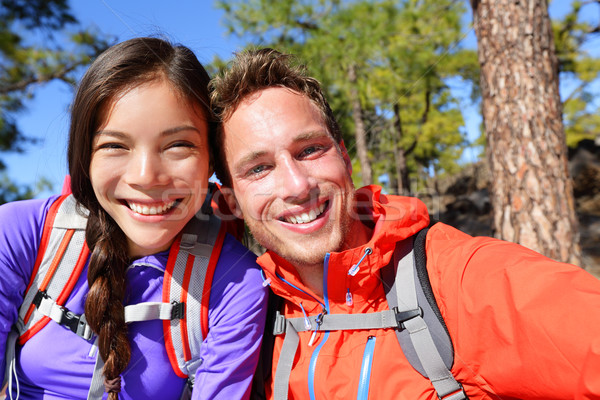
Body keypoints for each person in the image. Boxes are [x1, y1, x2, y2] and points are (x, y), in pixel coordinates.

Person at [209, 48, 600, 399]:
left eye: (310, 149)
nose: (296, 185)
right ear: (232, 203)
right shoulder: (246, 325)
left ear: (345, 158)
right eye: (259, 169)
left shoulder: (457, 280)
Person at [0, 37, 268, 400]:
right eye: (115, 146)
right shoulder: (22, 234)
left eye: (178, 146)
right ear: (84, 157)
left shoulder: (235, 283)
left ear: (212, 160)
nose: (145, 176)